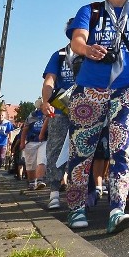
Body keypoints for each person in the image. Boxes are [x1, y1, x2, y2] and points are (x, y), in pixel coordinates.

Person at [65, 0, 129, 234]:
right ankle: (76, 208)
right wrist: (87, 49)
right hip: (89, 90)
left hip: (126, 88)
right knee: (82, 151)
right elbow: (77, 40)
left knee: (123, 147)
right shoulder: (89, 10)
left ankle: (117, 210)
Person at [40, 19, 79, 210]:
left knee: (81, 149)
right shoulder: (59, 55)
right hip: (61, 109)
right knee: (55, 147)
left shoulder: (92, 53)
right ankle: (54, 191)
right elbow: (49, 80)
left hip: (85, 107)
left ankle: (79, 191)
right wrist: (46, 101)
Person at [20, 99, 47, 190]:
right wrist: (22, 142)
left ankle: (39, 180)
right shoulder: (32, 115)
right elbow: (25, 129)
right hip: (31, 142)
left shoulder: (49, 115)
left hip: (44, 141)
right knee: (30, 163)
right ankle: (31, 182)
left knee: (42, 160)